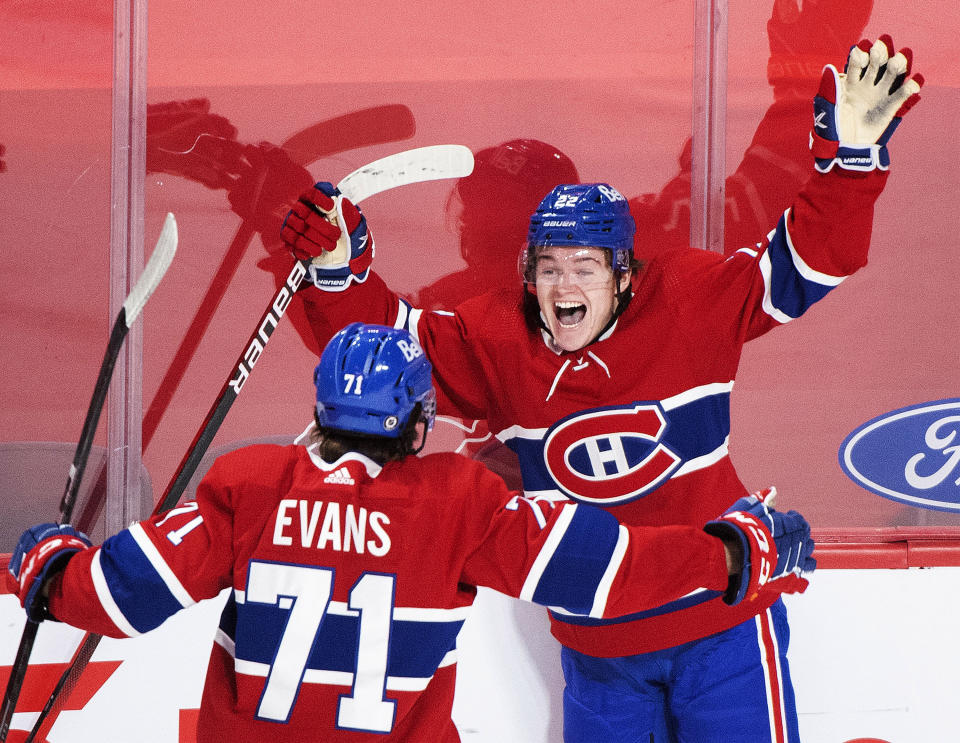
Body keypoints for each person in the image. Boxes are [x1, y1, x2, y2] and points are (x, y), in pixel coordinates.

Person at [278, 36, 922, 742]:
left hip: (724, 626)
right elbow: (390, 345)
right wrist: (340, 271)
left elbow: (804, 264)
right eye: (548, 268)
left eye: (584, 267)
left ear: (623, 274)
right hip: (600, 648)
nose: (564, 287)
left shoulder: (689, 301)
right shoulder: (497, 338)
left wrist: (851, 168)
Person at [8, 323, 813, 742]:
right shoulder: (455, 499)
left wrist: (46, 565)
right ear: (418, 420)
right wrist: (734, 549)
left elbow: (117, 599)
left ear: (321, 409)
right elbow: (603, 572)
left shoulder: (251, 484)